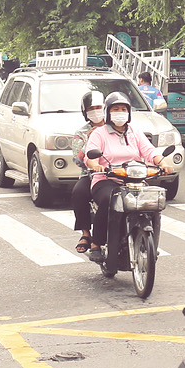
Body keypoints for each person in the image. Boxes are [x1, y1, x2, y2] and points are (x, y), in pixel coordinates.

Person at [83, 91, 163, 255]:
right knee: (108, 200)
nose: (120, 112)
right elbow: (89, 155)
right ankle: (96, 243)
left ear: (129, 112)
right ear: (108, 112)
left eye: (123, 109)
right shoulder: (100, 133)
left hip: (134, 179)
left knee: (153, 203)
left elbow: (149, 151)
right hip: (106, 179)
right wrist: (96, 165)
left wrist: (162, 162)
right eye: (115, 109)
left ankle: (152, 244)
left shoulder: (134, 131)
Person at [69, 92, 107, 255]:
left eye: (99, 108)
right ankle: (86, 233)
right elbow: (77, 161)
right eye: (92, 109)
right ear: (85, 112)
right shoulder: (81, 133)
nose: (96, 112)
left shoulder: (114, 127)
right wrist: (89, 143)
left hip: (116, 173)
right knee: (78, 192)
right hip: (90, 174)